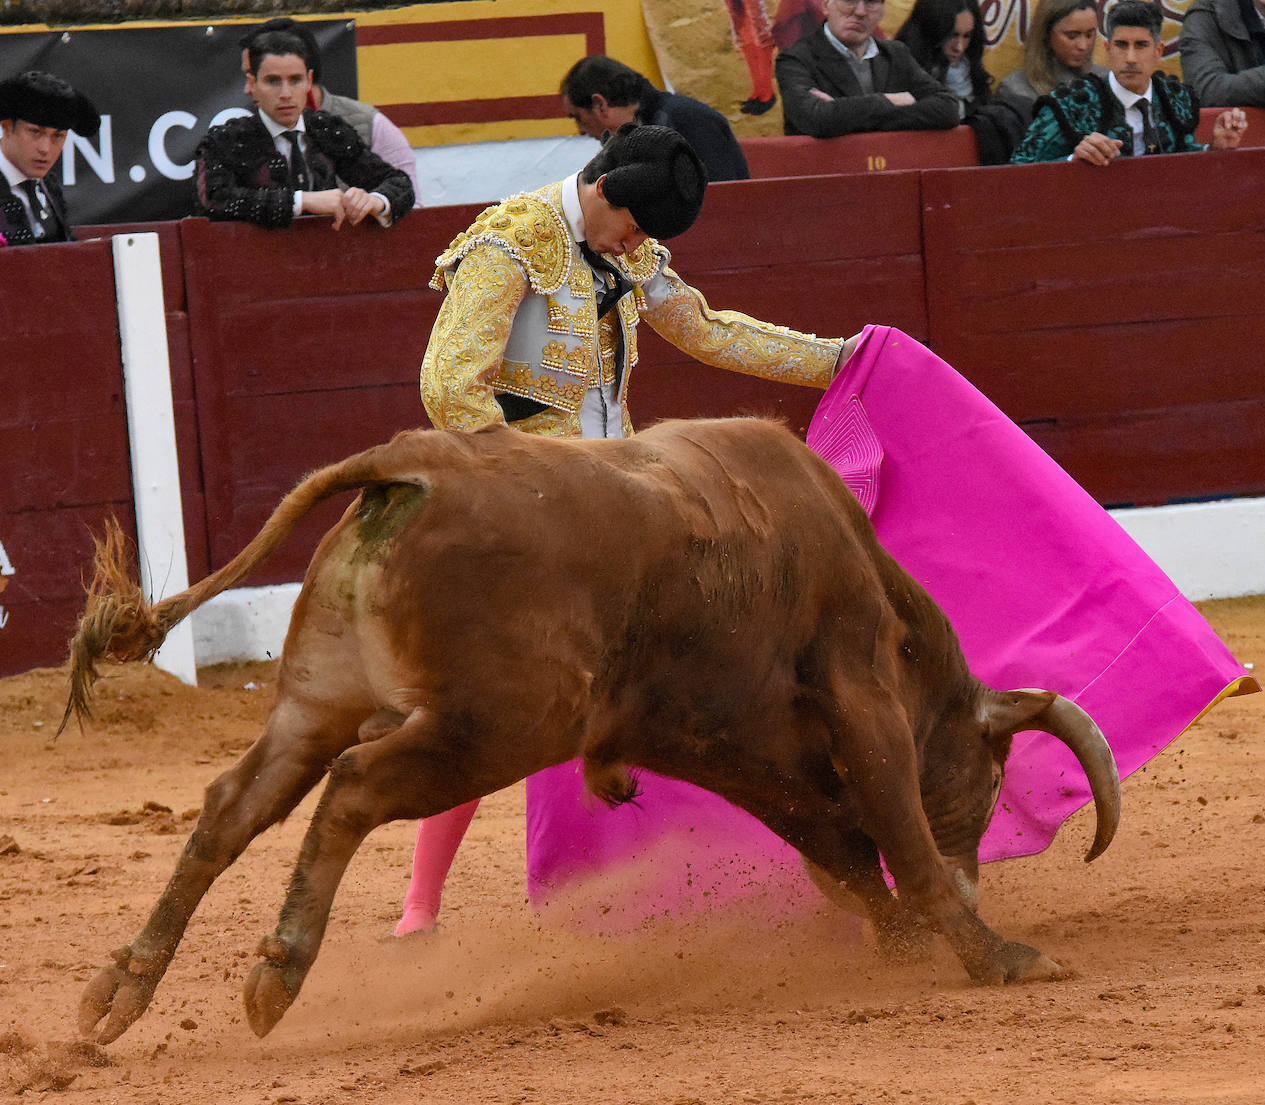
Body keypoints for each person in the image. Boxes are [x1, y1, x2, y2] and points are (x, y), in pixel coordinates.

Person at [399, 122, 853, 935]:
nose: (638, 245)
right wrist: (531, 486)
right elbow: (448, 389)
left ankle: (737, 876)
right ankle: (418, 909)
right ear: (602, 189)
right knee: (492, 704)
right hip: (531, 515)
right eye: (634, 227)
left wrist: (837, 359)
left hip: (621, 514)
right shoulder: (511, 248)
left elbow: (708, 330)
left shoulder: (628, 246)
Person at [194, 30, 414, 230]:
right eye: (273, 81)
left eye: (295, 80)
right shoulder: (226, 140)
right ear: (252, 84)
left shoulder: (326, 129)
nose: (286, 93)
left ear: (309, 81)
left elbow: (399, 183)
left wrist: (375, 201)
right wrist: (301, 201)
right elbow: (214, 201)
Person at [1011, 0, 1249, 164]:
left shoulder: (1175, 99)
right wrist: (1073, 160)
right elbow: (1019, 167)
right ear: (1107, 49)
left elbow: (1181, 158)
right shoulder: (1072, 103)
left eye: (1141, 46)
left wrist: (1213, 150)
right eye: (1121, 45)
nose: (1131, 58)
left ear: (1158, 51)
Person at [238, 18, 421, 201]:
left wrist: (377, 203)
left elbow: (411, 206)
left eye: (293, 78)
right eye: (269, 79)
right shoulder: (239, 137)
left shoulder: (369, 123)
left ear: (308, 76)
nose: (247, 89)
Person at [775, 0, 961, 138]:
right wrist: (889, 100)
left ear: (882, 12)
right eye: (849, 1)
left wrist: (843, 114)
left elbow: (948, 108)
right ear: (825, 5)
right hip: (826, 176)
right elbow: (816, 119)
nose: (860, 11)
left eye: (871, 2)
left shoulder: (895, 54)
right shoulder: (796, 59)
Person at [560, 55, 750, 181]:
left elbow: (722, 199)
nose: (581, 130)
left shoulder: (687, 119)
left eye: (578, 117)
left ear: (600, 105)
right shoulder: (623, 138)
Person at [0, 71, 98, 246]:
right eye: (35, 132)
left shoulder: (47, 188)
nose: (45, 149)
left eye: (58, 136)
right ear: (7, 128)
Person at [993, 0, 1108, 126]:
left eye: (1090, 35)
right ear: (1045, 34)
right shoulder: (1016, 89)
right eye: (1072, 36)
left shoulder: (1105, 80)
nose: (1083, 46)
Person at [895, 0, 992, 120]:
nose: (958, 47)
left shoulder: (974, 77)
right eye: (952, 35)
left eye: (966, 36)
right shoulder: (897, 69)